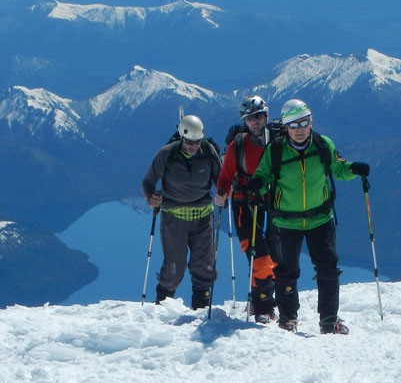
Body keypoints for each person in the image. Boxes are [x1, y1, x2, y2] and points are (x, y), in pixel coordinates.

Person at [250, 99, 369, 334]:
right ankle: (288, 318)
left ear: (311, 121)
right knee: (286, 271)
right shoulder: (274, 151)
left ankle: (328, 320)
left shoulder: (323, 145)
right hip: (285, 220)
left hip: (320, 218)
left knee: (328, 268)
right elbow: (262, 175)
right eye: (294, 125)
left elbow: (338, 168)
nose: (300, 129)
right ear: (285, 127)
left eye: (304, 122)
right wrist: (258, 187)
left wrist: (354, 169)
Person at [140, 114, 222, 309]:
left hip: (203, 217)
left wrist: (224, 191)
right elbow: (148, 181)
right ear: (181, 137)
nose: (193, 146)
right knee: (174, 267)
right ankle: (162, 305)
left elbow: (220, 179)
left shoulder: (208, 151)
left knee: (203, 266)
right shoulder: (167, 153)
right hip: (174, 218)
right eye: (189, 142)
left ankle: (201, 308)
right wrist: (150, 196)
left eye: (197, 142)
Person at [214, 95, 278, 323]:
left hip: (272, 204)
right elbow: (225, 176)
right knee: (259, 257)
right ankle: (262, 308)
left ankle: (261, 301)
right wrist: (221, 193)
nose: (255, 122)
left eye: (259, 116)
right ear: (245, 121)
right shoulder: (238, 145)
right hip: (245, 206)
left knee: (275, 257)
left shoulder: (277, 140)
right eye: (250, 118)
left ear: (266, 116)